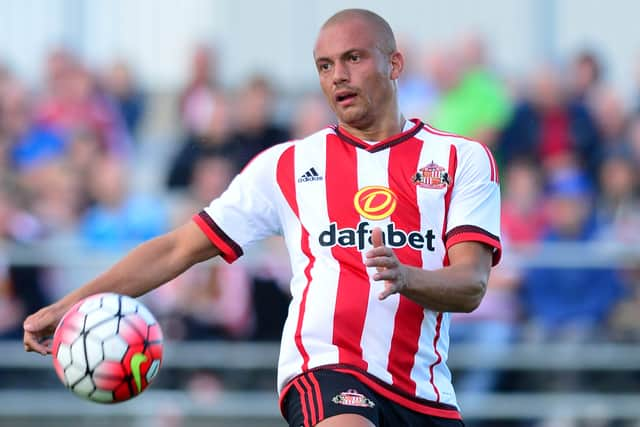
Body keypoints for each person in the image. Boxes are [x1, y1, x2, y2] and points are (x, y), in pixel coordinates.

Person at [23, 9, 501, 427]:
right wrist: (67, 306)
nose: (338, 75)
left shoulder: (461, 159)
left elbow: (471, 284)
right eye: (325, 65)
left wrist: (406, 276)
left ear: (394, 63)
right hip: (326, 368)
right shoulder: (287, 165)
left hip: (425, 391)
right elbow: (178, 247)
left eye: (353, 58)